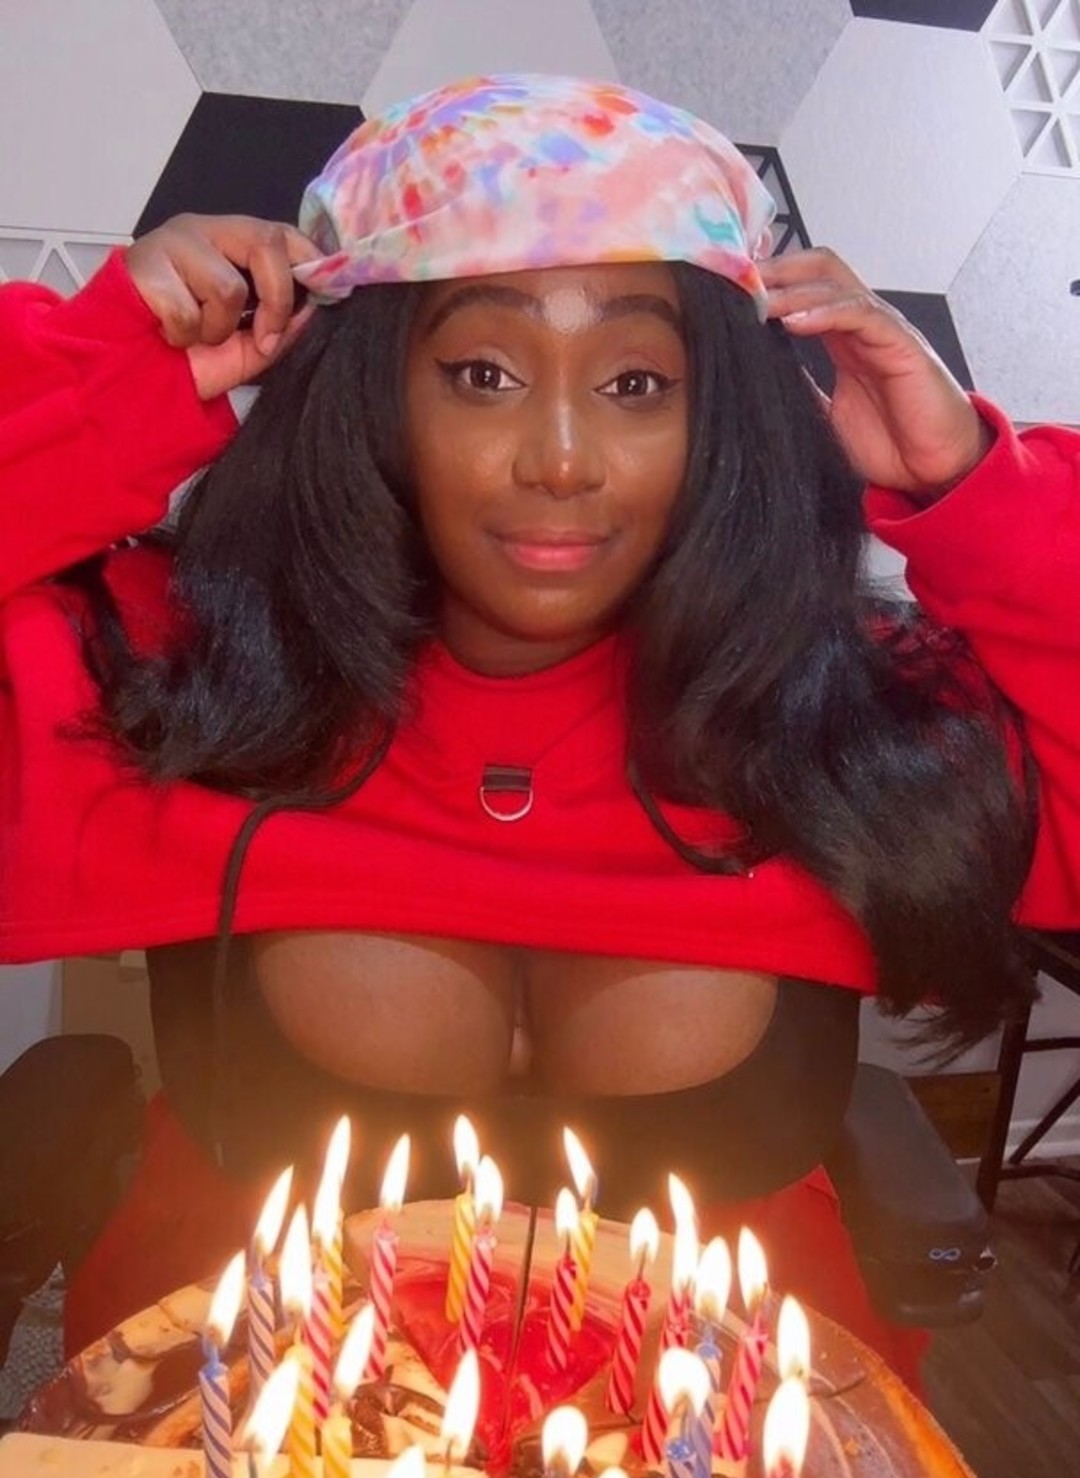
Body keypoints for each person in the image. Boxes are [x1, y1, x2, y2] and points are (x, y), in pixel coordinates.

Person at [1, 74, 1077, 1385]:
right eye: (483, 373)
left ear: (715, 419)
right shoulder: (189, 675)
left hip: (729, 1473)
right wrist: (107, 376)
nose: (561, 458)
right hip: (232, 1456)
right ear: (375, 397)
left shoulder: (827, 719)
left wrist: (973, 486)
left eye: (636, 381)